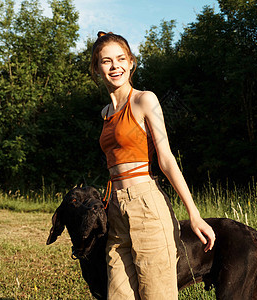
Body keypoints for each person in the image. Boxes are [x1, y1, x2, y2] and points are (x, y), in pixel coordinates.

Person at [91, 31, 216, 300]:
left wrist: (193, 213)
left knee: (157, 294)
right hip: (116, 209)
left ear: (132, 62)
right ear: (97, 68)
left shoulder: (144, 100)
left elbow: (167, 159)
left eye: (121, 59)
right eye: (107, 61)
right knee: (118, 294)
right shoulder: (105, 113)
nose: (115, 66)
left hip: (147, 206)